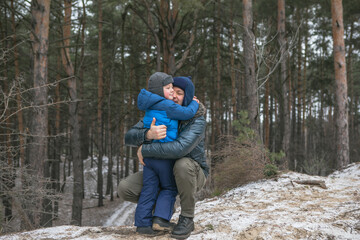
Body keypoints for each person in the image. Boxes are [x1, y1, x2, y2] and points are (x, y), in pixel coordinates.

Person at [118, 75, 209, 239]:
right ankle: (158, 214)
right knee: (125, 188)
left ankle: (187, 218)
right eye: (172, 91)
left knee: (182, 164)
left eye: (179, 93)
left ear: (187, 96)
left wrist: (145, 149)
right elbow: (129, 136)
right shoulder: (163, 110)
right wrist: (147, 134)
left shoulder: (197, 120)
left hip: (192, 173)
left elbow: (179, 149)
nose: (174, 96)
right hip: (164, 169)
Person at [134, 72, 199, 236]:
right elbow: (187, 113)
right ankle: (160, 220)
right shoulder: (167, 105)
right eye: (168, 88)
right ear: (158, 91)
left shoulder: (150, 104)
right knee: (169, 188)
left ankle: (142, 224)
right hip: (164, 156)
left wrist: (144, 142)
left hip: (149, 158)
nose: (171, 92)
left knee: (149, 188)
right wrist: (195, 104)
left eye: (175, 89)